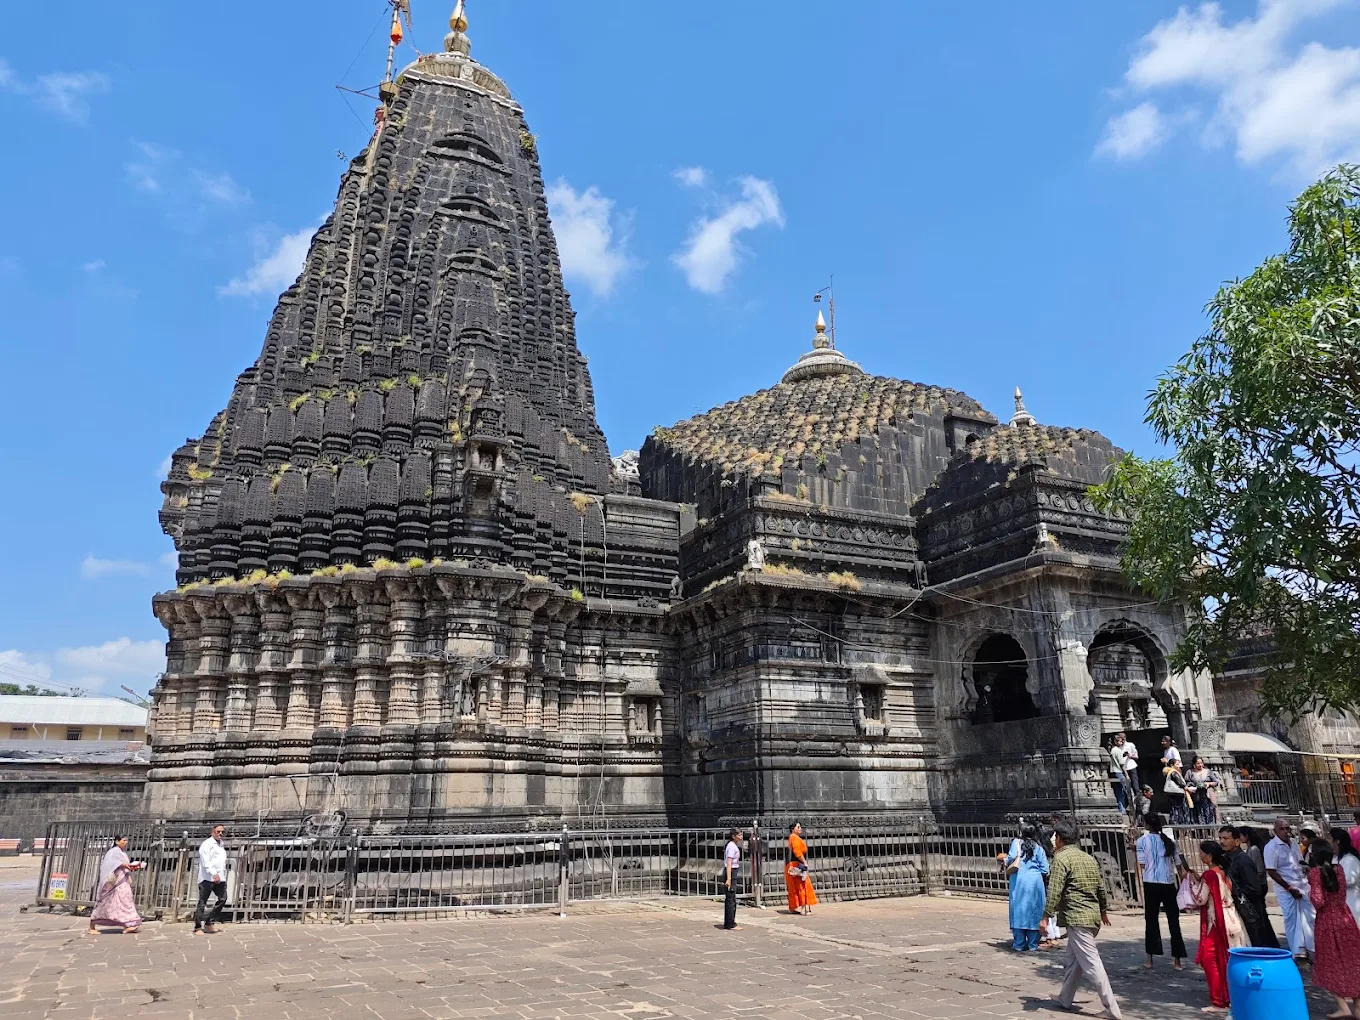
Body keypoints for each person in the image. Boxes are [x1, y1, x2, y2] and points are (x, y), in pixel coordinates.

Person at [1041, 821, 1123, 1020]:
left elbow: (1054, 891)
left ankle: (1112, 1009)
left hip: (1077, 917)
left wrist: (1045, 916)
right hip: (1091, 916)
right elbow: (1101, 887)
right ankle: (1065, 998)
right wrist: (1103, 911)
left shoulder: (1061, 859)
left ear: (1059, 839)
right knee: (1073, 961)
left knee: (1092, 964)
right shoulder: (1088, 858)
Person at [1190, 840, 1250, 1012]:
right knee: (1225, 959)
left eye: (1202, 853)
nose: (1200, 856)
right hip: (1230, 917)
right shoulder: (1222, 872)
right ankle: (1228, 997)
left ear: (1209, 856)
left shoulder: (1210, 875)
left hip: (1217, 921)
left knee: (1211, 960)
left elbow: (1200, 899)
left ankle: (1219, 1000)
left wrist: (1192, 884)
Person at [1307, 840, 1360, 1019]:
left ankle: (1343, 1005)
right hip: (1345, 917)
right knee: (1351, 960)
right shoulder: (1340, 870)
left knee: (1330, 963)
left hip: (1327, 921)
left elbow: (1318, 900)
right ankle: (1358, 1005)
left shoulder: (1315, 873)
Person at [1136, 813, 1185, 969]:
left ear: (1147, 825)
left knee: (1151, 920)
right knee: (1173, 921)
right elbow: (1178, 863)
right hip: (1168, 882)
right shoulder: (1169, 841)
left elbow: (1142, 864)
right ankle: (1177, 960)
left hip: (1151, 882)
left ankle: (1149, 958)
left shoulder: (1142, 841)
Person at [1265, 817, 1316, 959]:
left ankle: (1311, 948)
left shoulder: (1293, 842)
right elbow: (1271, 871)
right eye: (1282, 829)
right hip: (1286, 888)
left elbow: (1299, 861)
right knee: (1292, 920)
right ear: (1275, 830)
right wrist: (1289, 888)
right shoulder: (1271, 847)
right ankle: (1296, 952)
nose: (1286, 831)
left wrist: (1306, 870)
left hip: (1301, 884)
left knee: (1310, 917)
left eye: (1287, 828)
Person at [1220, 825, 1279, 948]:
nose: (1222, 842)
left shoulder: (1242, 860)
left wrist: (1234, 892)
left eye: (1226, 838)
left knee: (1258, 944)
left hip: (1250, 909)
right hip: (1240, 909)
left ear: (1236, 841)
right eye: (1220, 838)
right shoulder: (1228, 859)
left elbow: (1254, 888)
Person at [997, 823, 1049, 951]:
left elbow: (1010, 859)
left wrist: (1003, 860)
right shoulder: (1039, 848)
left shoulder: (1016, 843)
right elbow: (1045, 869)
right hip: (1036, 882)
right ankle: (1033, 943)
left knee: (1019, 909)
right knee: (1035, 910)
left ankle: (1019, 943)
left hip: (1019, 880)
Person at [87, 834, 144, 935]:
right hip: (114, 882)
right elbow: (110, 863)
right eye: (123, 840)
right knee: (107, 903)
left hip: (123, 880)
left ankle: (129, 924)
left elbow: (125, 865)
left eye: (126, 840)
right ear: (117, 841)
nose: (125, 842)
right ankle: (92, 924)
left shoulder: (123, 853)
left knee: (126, 901)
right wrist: (122, 864)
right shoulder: (112, 852)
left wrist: (131, 866)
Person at [194, 823, 228, 935]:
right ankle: (198, 927)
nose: (220, 834)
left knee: (223, 899)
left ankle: (209, 922)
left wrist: (221, 875)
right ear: (212, 832)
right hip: (207, 878)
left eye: (222, 831)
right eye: (218, 831)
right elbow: (206, 861)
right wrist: (213, 873)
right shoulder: (207, 844)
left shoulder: (221, 844)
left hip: (220, 877)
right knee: (202, 902)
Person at [1328, 828, 1360, 931]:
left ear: (1337, 841)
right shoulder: (1335, 858)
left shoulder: (1350, 859)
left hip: (1351, 902)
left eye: (1330, 838)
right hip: (1341, 904)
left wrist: (1332, 879)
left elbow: (1350, 880)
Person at [784, 822, 818, 916]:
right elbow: (797, 852)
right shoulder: (794, 837)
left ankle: (792, 907)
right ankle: (803, 909)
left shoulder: (792, 837)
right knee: (803, 886)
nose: (800, 828)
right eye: (798, 827)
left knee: (793, 887)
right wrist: (804, 862)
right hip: (797, 864)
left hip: (791, 864)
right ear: (793, 829)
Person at [1185, 756, 1221, 826]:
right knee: (1198, 813)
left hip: (1207, 795)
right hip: (1196, 796)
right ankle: (1201, 830)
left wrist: (1208, 783)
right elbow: (1187, 783)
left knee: (1209, 812)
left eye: (1201, 763)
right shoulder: (1190, 772)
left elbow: (1216, 782)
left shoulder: (1208, 771)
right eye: (1198, 763)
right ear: (1194, 764)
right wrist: (1191, 787)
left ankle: (1211, 829)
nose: (1200, 765)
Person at [722, 827, 743, 931]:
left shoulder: (733, 845)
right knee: (730, 899)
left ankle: (729, 922)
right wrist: (729, 878)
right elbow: (729, 863)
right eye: (739, 835)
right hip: (731, 872)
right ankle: (730, 923)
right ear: (733, 836)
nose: (741, 836)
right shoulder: (731, 846)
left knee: (731, 898)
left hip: (733, 871)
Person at [1164, 760, 1194, 826]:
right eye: (1177, 764)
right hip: (1179, 795)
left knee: (1175, 812)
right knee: (1181, 812)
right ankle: (1182, 828)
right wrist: (1187, 788)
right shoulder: (1173, 772)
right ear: (1172, 765)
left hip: (1174, 795)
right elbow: (1180, 783)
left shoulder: (1169, 772)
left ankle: (1178, 828)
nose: (1179, 766)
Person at [1108, 737, 1129, 813]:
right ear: (1116, 742)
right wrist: (1126, 774)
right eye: (1120, 741)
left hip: (1113, 772)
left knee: (1118, 792)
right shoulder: (1118, 750)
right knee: (1126, 791)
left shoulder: (1112, 750)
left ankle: (1122, 810)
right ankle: (1126, 808)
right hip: (1118, 772)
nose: (1122, 743)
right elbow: (1121, 764)